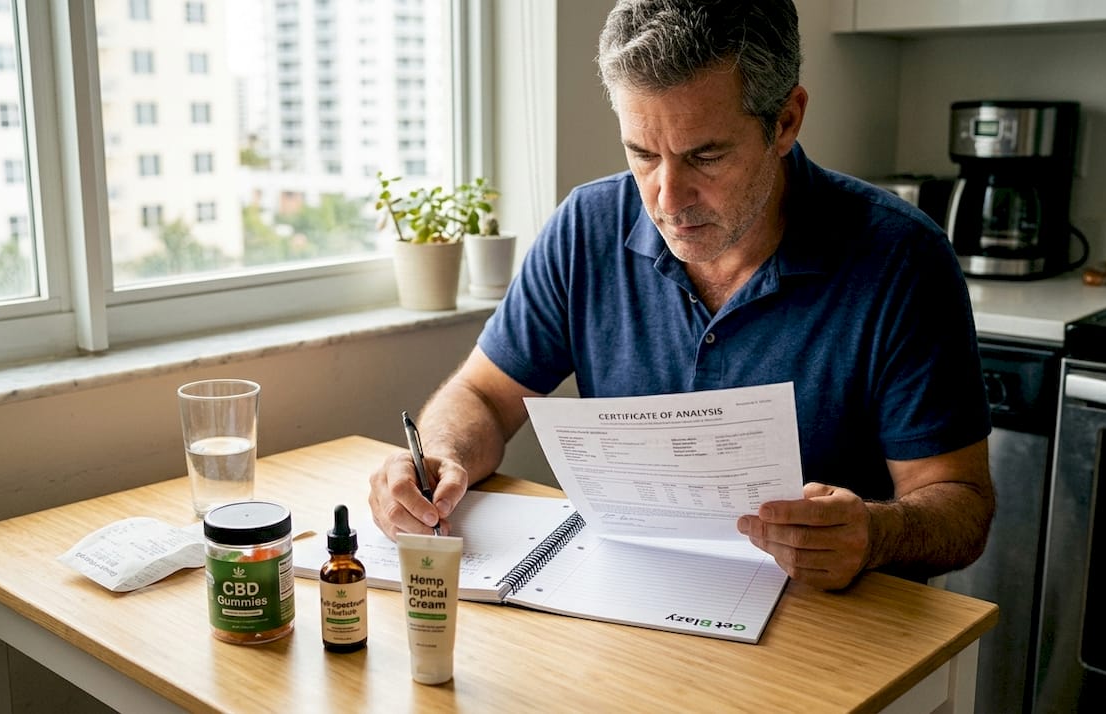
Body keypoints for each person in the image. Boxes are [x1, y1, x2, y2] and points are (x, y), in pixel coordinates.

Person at [369, 0, 994, 591]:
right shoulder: (588, 226)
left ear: (786, 122)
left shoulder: (902, 259)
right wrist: (438, 458)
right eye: (642, 154)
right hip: (630, 602)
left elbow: (962, 507)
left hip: (832, 634)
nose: (667, 198)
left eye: (706, 156)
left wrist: (876, 535)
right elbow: (482, 394)